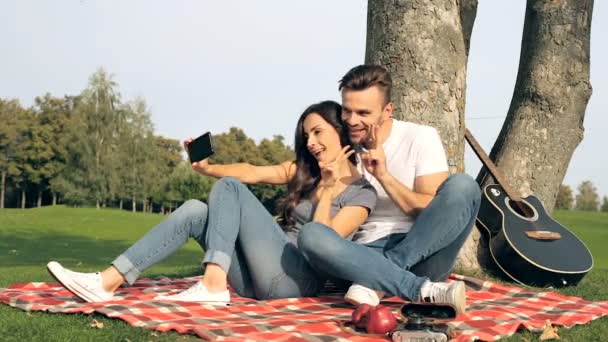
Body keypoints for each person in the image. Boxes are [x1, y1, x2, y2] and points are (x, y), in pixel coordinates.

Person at [46, 100, 377, 304]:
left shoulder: (361, 193)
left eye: (318, 132)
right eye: (307, 135)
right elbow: (252, 171)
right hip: (257, 278)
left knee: (230, 189)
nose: (311, 141)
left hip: (297, 283)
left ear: (339, 131)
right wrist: (209, 168)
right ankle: (107, 282)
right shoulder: (303, 171)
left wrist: (330, 190)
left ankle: (213, 283)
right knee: (195, 210)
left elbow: (324, 246)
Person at [296, 65, 481, 314]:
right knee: (311, 234)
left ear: (387, 110)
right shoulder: (339, 147)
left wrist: (383, 176)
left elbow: (432, 213)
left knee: (464, 186)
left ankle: (383, 277)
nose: (352, 120)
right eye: (347, 111)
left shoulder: (419, 137)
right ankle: (414, 288)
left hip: (422, 253)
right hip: (361, 259)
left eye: (363, 112)